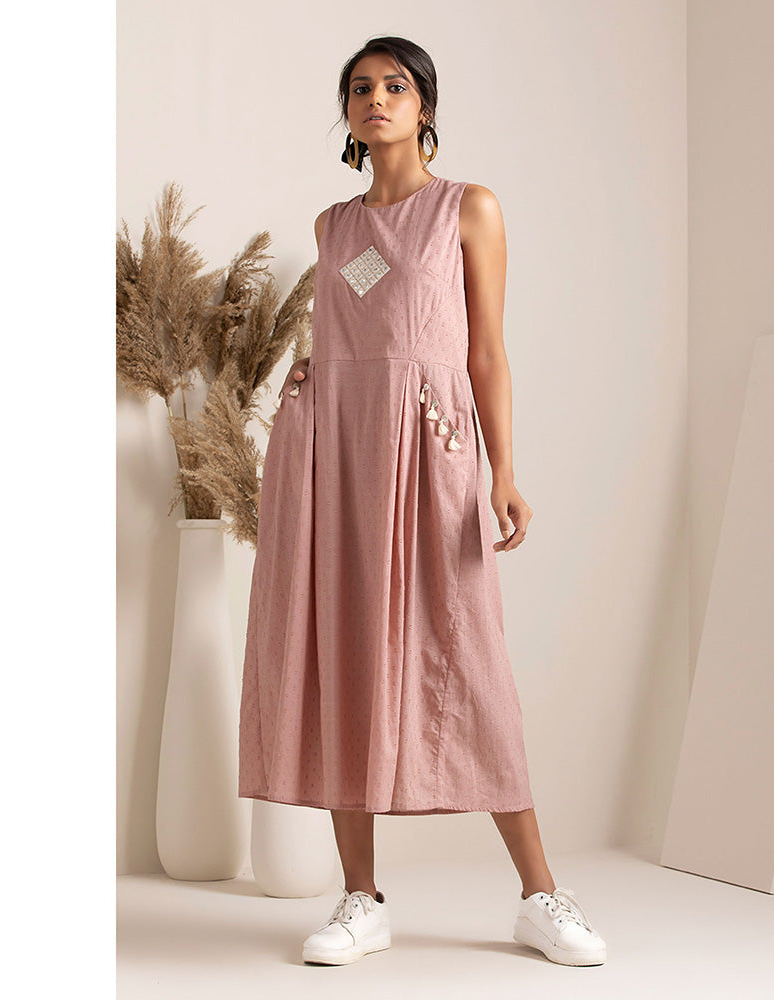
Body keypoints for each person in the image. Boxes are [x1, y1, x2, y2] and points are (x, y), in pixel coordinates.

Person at [237, 35, 606, 968]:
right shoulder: (332, 225)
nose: (376, 99)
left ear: (425, 106)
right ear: (349, 112)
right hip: (334, 452)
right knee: (341, 652)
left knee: (469, 658)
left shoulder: (467, 208)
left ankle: (540, 895)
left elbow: (485, 349)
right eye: (360, 88)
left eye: (395, 86)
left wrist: (503, 471)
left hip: (430, 448)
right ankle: (361, 898)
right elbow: (338, 340)